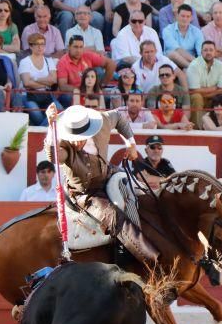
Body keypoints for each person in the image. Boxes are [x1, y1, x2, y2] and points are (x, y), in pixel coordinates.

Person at [45, 102, 159, 263]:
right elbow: (52, 155)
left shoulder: (102, 121)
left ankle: (137, 236)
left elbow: (120, 118)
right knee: (114, 216)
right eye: (73, 138)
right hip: (84, 192)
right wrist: (51, 128)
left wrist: (131, 144)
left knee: (135, 193)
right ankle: (145, 259)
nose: (76, 142)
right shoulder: (64, 143)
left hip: (108, 173)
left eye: (80, 138)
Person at [187, 40, 222, 129]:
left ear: (215, 52)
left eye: (211, 50)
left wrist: (206, 90)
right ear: (201, 52)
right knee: (196, 97)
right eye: (205, 50)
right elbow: (193, 90)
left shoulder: (221, 65)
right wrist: (215, 88)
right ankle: (196, 129)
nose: (208, 52)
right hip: (201, 98)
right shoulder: (194, 65)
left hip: (217, 98)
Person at [57, 35, 116, 107]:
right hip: (74, 92)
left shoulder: (87, 55)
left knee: (109, 97)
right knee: (68, 97)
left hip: (90, 90)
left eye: (81, 47)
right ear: (69, 47)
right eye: (75, 47)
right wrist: (83, 90)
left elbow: (111, 64)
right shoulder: (62, 62)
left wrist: (102, 85)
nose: (78, 50)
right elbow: (63, 86)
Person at [18, 32, 60, 126]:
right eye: (37, 44)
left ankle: (41, 132)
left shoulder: (49, 61)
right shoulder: (25, 62)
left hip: (46, 94)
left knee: (59, 110)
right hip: (29, 94)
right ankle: (43, 132)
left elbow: (53, 80)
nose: (40, 47)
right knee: (38, 115)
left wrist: (35, 79)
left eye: (42, 44)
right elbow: (27, 83)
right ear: (31, 46)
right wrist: (46, 82)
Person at [163, 3, 204, 68]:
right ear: (177, 16)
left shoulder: (197, 31)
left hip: (189, 61)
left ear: (191, 18)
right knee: (173, 54)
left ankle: (192, 68)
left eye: (188, 16)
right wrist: (196, 62)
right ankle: (194, 68)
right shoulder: (167, 30)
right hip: (171, 62)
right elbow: (177, 50)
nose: (185, 19)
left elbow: (201, 52)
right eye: (183, 16)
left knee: (187, 71)